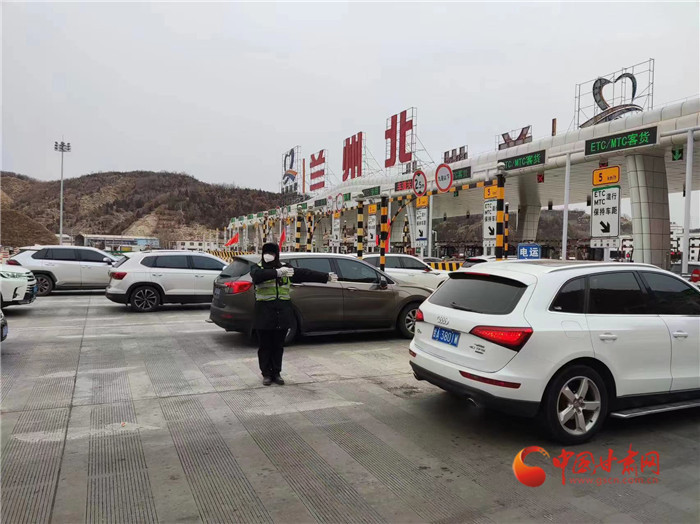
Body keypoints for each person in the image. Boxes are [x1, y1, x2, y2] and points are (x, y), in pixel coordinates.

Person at [250, 242, 338, 386]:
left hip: (282, 313)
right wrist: (277, 273)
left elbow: (305, 273)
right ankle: (266, 374)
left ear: (277, 254)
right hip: (264, 313)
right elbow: (257, 276)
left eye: (271, 253)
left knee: (278, 345)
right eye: (266, 253)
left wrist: (325, 277)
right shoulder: (257, 268)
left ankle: (276, 373)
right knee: (265, 345)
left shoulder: (286, 268)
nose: (268, 256)